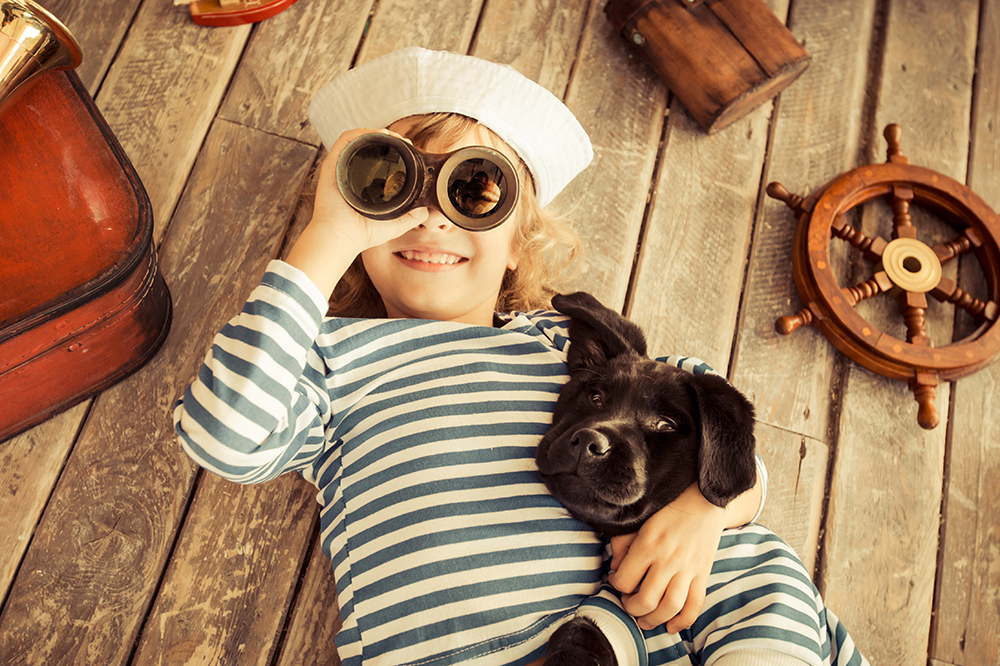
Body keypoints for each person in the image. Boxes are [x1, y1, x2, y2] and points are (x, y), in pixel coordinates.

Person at [174, 47, 866, 666]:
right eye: (392, 188)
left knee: (765, 571)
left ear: (517, 245)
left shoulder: (567, 342)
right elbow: (222, 436)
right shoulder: (328, 359)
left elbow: (723, 431)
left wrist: (705, 512)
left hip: (636, 632)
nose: (431, 217)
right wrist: (328, 237)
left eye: (473, 191)